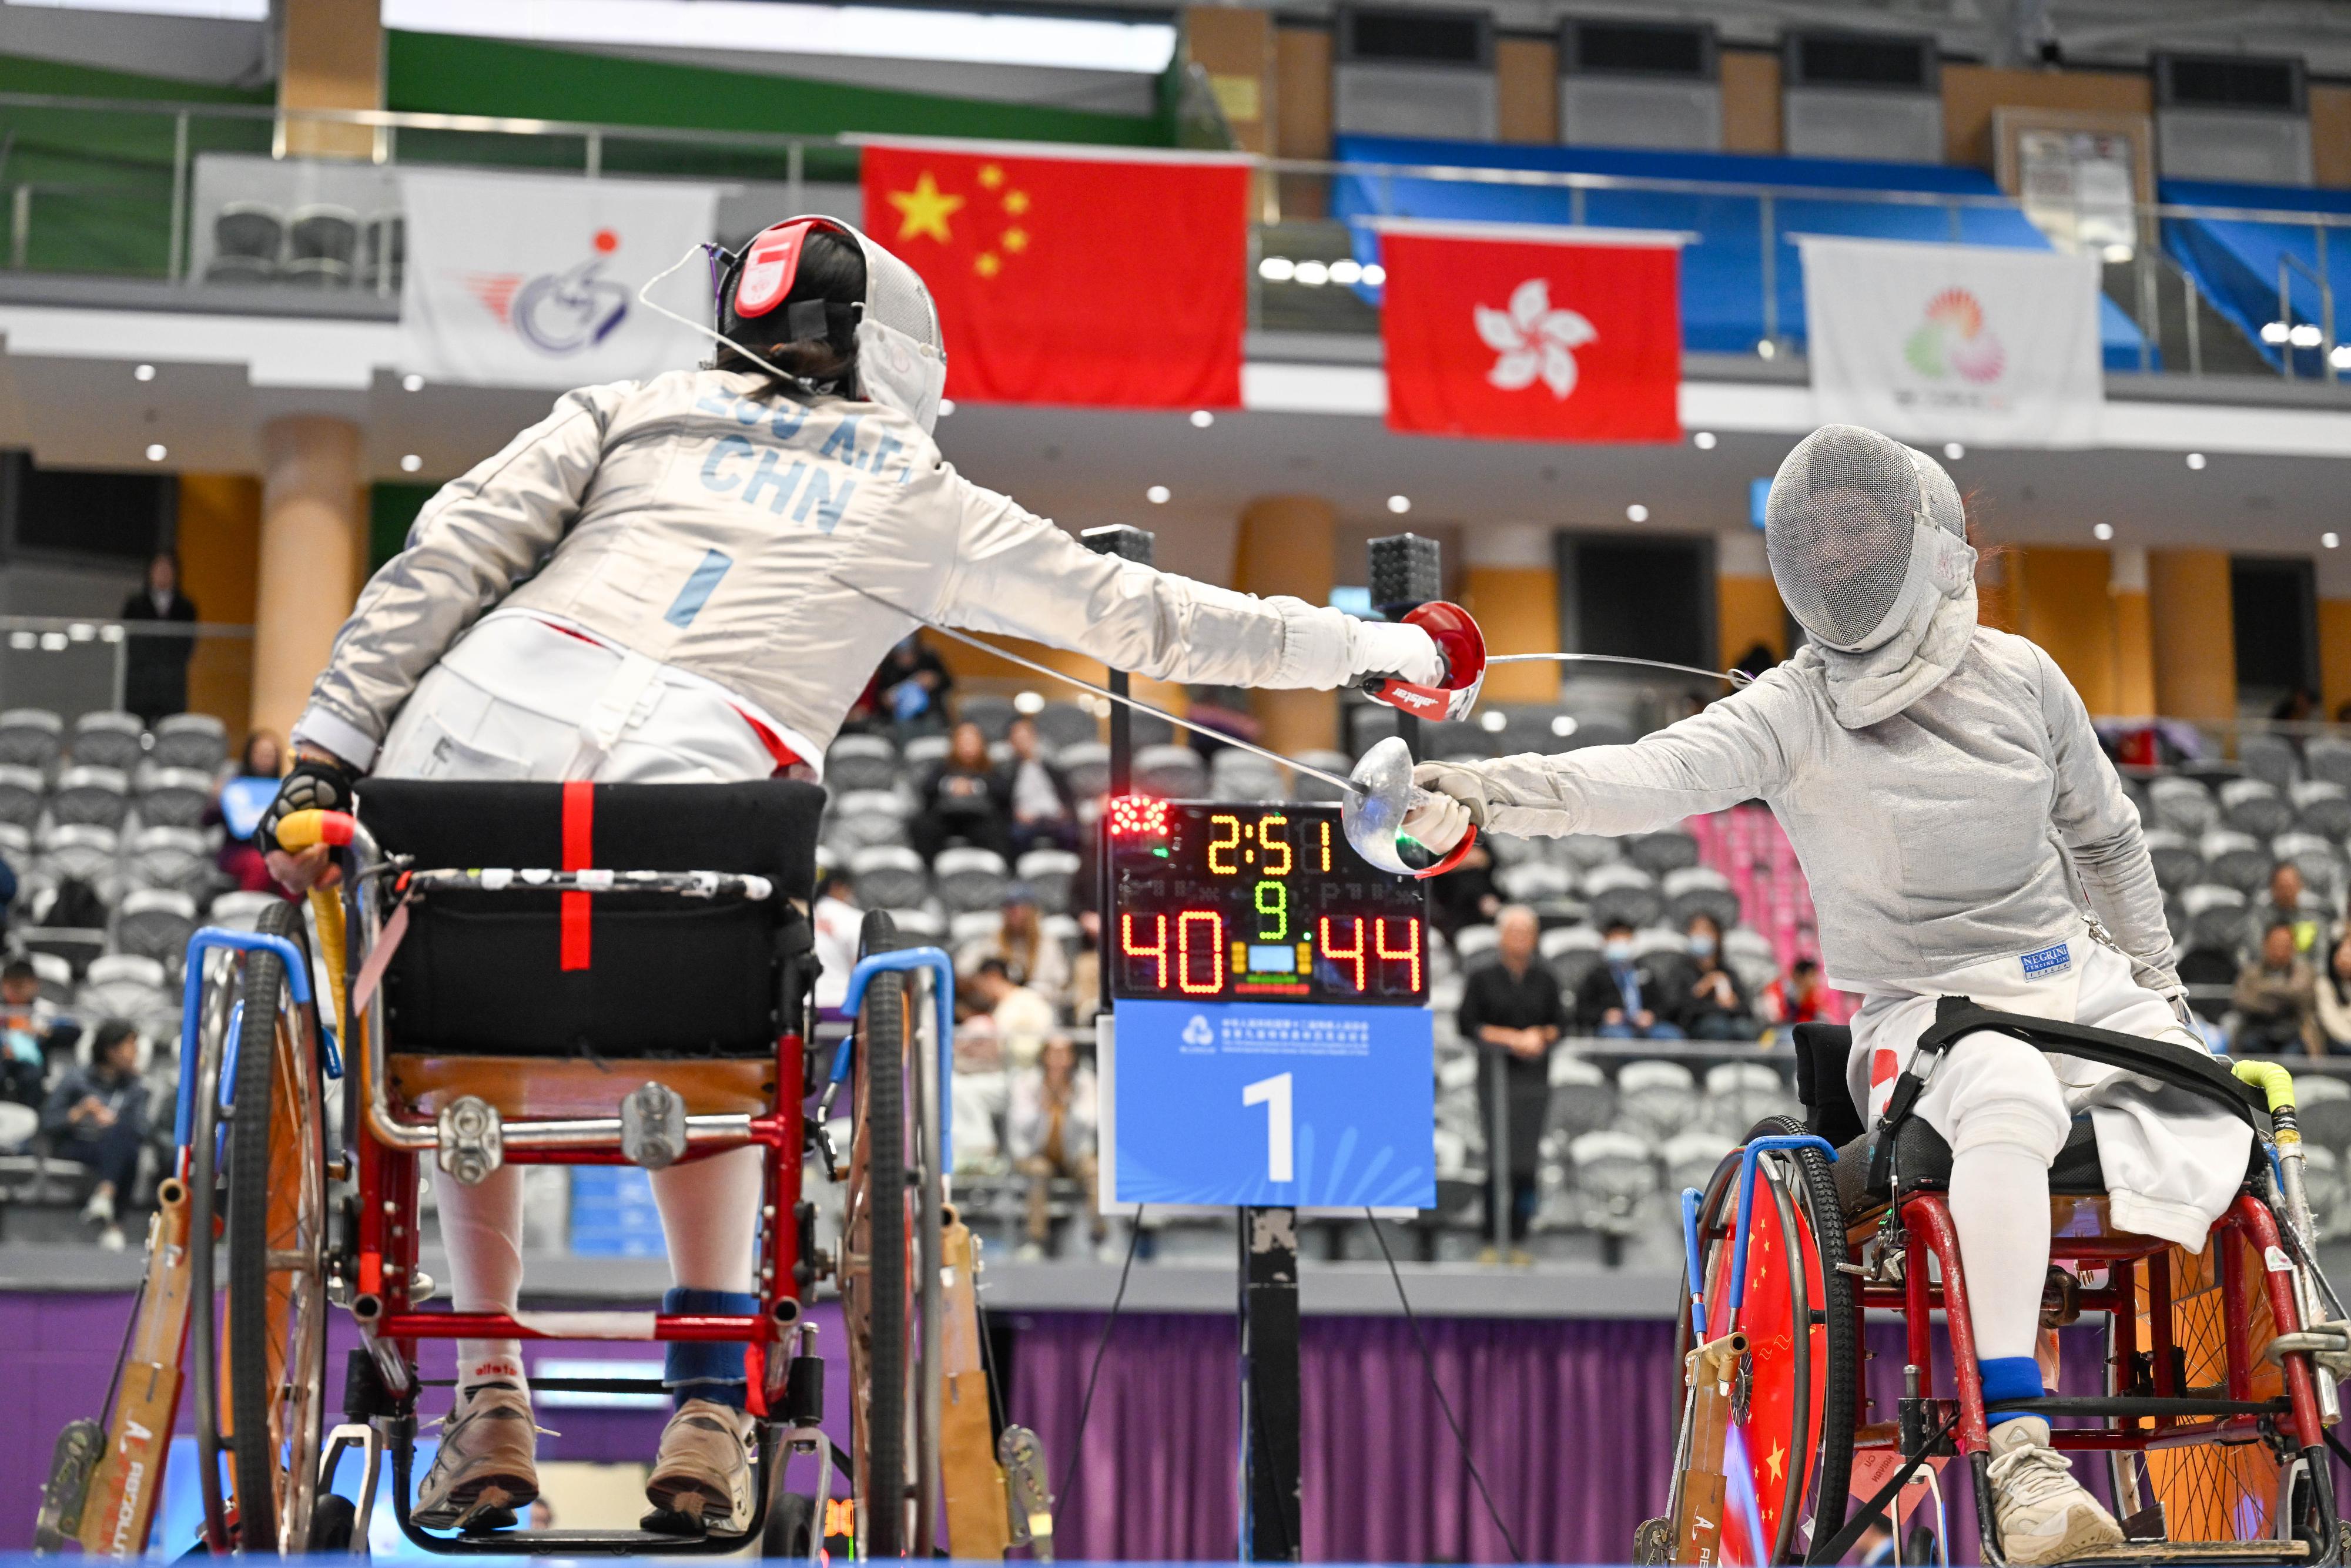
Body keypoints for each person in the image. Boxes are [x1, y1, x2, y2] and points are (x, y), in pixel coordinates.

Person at [257, 212, 1443, 1536]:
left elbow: (446, 553)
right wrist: (1375, 646)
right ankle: (707, 1400)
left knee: (454, 1027)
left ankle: (487, 1391)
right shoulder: (912, 488)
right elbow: (1151, 616)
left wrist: (322, 754)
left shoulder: (630, 404)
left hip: (460, 756)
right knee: (713, 1016)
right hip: (703, 814)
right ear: (897, 350)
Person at [1403, 424, 2242, 1564]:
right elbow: (1641, 776)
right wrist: (1480, 790)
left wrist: (2157, 989)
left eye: (1861, 523)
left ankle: (2293, 1392)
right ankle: (2019, 1457)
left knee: (2223, 1093)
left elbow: (2107, 835)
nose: (1840, 548)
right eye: (1820, 532)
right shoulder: (1789, 708)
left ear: (1924, 538)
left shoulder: (2022, 674)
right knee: (1999, 1089)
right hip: (1924, 1012)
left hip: (2074, 982)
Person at [1454, 904, 1564, 1260]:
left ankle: (1519, 1238)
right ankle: (1491, 1239)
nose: (1519, 939)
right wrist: (1510, 1039)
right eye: (1512, 932)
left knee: (1526, 1160)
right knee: (1497, 1158)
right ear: (1501, 936)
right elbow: (1468, 1024)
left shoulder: (1546, 979)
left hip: (1534, 1081)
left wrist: (1538, 1036)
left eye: (1525, 932)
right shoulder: (1482, 977)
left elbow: (1560, 1024)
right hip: (1495, 1080)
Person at [41, 1020, 149, 1249]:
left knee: (125, 1142)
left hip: (111, 1147)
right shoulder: (76, 1079)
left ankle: (105, 1197)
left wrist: (114, 1122)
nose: (136, 1054)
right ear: (111, 1050)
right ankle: (114, 1224)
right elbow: (48, 1122)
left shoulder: (135, 1087)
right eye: (131, 1047)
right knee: (126, 1151)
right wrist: (80, 1112)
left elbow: (142, 1130)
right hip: (76, 1146)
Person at [1006, 1034, 1101, 1261]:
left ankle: (1099, 1239)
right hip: (1036, 1153)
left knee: (1095, 1171)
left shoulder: (1084, 1082)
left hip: (1075, 1154)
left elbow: (1090, 1121)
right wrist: (1043, 1106)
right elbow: (1021, 1123)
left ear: (1072, 1057)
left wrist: (1067, 1101)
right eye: (1053, 1053)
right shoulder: (1027, 1082)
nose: (1058, 1059)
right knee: (1038, 1172)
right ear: (1044, 1056)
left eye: (1064, 1053)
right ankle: (1036, 1241)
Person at [955, 886, 1070, 1013]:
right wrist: (986, 982)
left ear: (1032, 912)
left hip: (1038, 1007)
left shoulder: (1047, 945)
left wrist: (1016, 993)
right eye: (1009, 908)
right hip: (1000, 1009)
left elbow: (1059, 985)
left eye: (1020, 908)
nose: (1014, 913)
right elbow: (963, 968)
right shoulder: (993, 940)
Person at [913, 721, 1012, 860]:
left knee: (996, 831)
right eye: (963, 741)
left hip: (981, 818)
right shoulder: (944, 767)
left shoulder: (990, 769)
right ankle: (928, 873)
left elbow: (1003, 792)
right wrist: (950, 786)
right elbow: (927, 789)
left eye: (972, 741)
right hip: (946, 817)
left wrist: (974, 787)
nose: (967, 747)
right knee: (923, 826)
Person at [119, 552, 199, 727]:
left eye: (167, 569)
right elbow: (127, 642)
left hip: (172, 685)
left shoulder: (186, 607)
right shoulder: (135, 604)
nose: (163, 573)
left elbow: (188, 645)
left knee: (171, 732)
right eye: (159, 569)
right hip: (140, 684)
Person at [1573, 918, 1686, 1040]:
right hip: (1614, 1028)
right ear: (1605, 942)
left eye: (1625, 938)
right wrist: (1604, 1015)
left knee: (1671, 1035)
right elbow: (1582, 1011)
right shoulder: (1595, 975)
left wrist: (1651, 1015)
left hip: (1646, 1026)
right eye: (1615, 939)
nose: (1620, 943)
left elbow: (1663, 1005)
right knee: (1620, 1038)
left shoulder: (1646, 972)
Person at [210, 731, 286, 895]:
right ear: (250, 754)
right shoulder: (233, 787)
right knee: (259, 863)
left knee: (292, 865)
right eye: (261, 754)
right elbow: (207, 820)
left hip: (274, 850)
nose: (266, 759)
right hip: (237, 851)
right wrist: (218, 801)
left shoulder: (285, 790)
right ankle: (245, 916)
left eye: (270, 755)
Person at [2233, 922, 2320, 1057]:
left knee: (2294, 1055)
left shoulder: (2305, 970)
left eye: (2285, 945)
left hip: (2295, 1029)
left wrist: (2263, 990)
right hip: (2257, 1028)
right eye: (2275, 945)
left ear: (2293, 947)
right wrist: (2278, 1004)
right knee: (2251, 1047)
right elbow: (2241, 1000)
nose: (2280, 951)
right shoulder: (2250, 972)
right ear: (2265, 945)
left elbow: (2303, 996)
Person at [1000, 715, 1076, 854]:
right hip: (1025, 820)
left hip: (1055, 817)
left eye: (1026, 736)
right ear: (1011, 742)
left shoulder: (1052, 767)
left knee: (1071, 833)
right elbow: (1002, 802)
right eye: (1018, 737)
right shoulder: (1006, 772)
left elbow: (1068, 795)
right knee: (1017, 835)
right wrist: (1015, 814)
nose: (1023, 741)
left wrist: (1066, 812)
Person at [964, 957, 1057, 1068]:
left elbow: (1042, 1036)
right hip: (1009, 1069)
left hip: (1029, 1069)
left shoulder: (1028, 1000)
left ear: (993, 977)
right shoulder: (1000, 1007)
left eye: (981, 984)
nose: (981, 991)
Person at [1676, 913, 1756, 1041]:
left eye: (1706, 930)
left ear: (1718, 936)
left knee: (1744, 1028)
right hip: (1696, 1031)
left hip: (1731, 1023)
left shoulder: (1728, 972)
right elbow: (1682, 1011)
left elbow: (1746, 1010)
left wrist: (1732, 1004)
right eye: (1696, 930)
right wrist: (1702, 989)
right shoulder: (1682, 971)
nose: (1701, 935)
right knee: (1716, 1026)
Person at [2245, 862, 2322, 964]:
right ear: (2272, 888)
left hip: (2304, 974)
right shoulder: (2258, 917)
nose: (2287, 892)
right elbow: (2255, 952)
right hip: (2266, 973)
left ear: (2300, 886)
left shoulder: (2313, 918)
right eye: (2282, 887)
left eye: (2291, 887)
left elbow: (2320, 958)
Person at [873, 635, 953, 732]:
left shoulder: (929, 659)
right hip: (897, 718)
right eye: (901, 654)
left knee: (933, 724)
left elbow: (949, 683)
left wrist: (934, 680)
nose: (906, 658)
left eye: (909, 653)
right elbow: (880, 696)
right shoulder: (888, 666)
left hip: (931, 713)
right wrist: (888, 699)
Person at [1760, 956, 1827, 1033]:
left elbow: (1818, 1017)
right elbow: (1775, 1019)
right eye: (1812, 976)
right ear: (1798, 976)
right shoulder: (1779, 990)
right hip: (1777, 1032)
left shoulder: (1812, 996)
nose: (1815, 981)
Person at [2316, 928, 2351, 1054]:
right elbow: (2332, 1023)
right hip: (2335, 1043)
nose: (2347, 960)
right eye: (2344, 955)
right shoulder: (2324, 985)